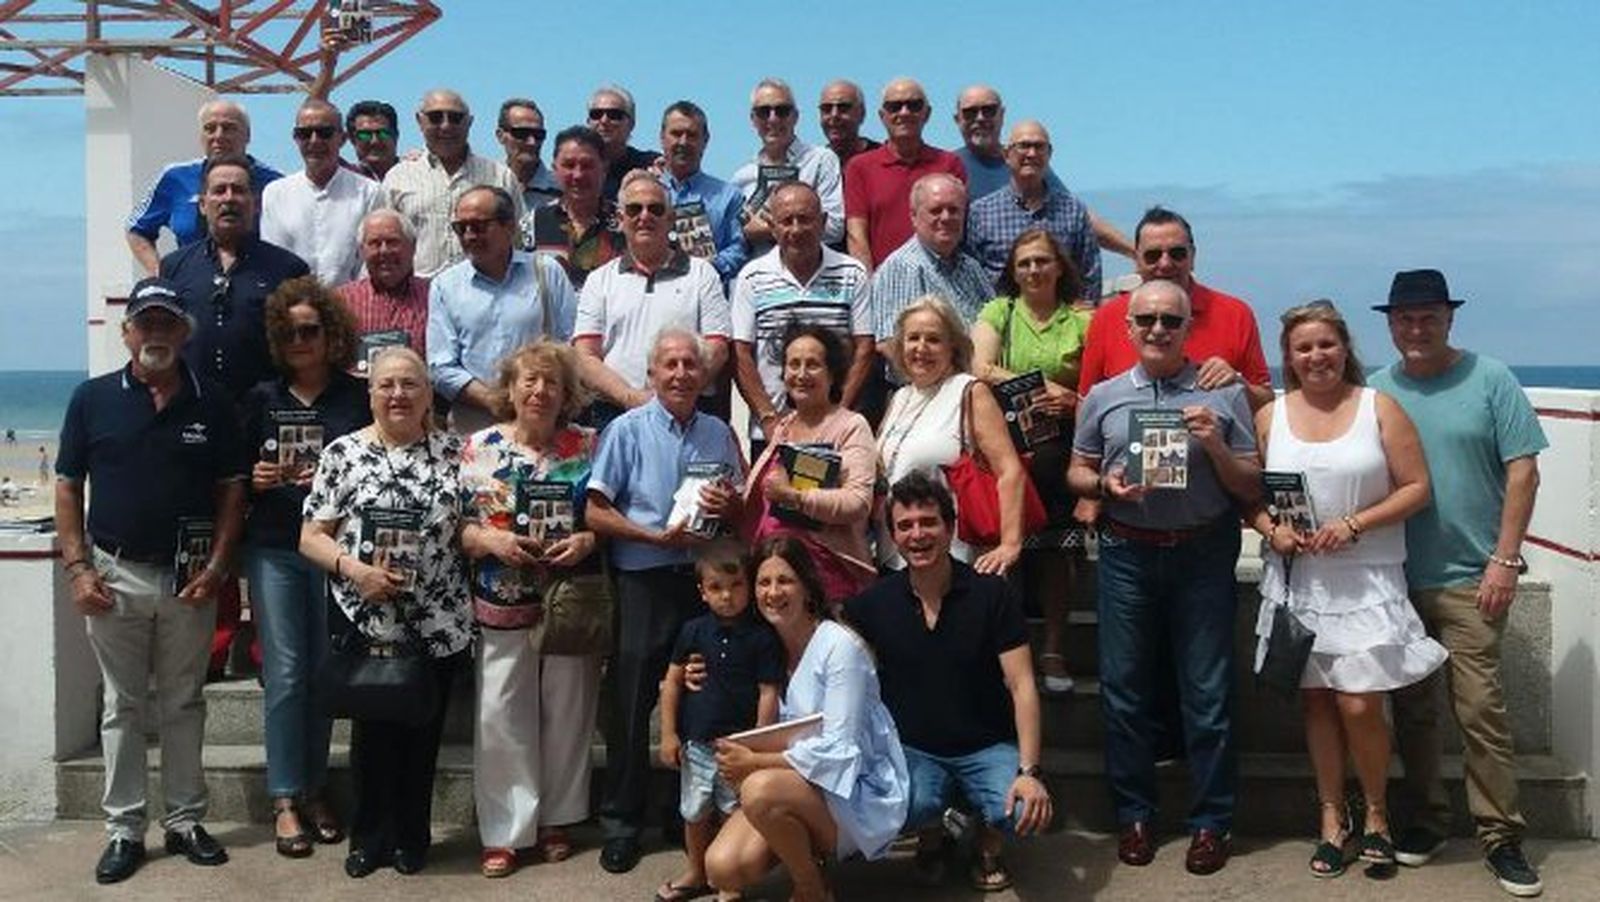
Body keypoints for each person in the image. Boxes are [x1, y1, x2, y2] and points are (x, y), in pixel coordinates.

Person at [55, 277, 248, 884]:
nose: (156, 333)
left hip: (190, 581)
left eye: (167, 322)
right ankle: (123, 829)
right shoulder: (91, 399)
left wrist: (218, 567)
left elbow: (232, 492)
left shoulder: (214, 401)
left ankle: (186, 820)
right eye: (146, 322)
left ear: (184, 332)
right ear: (127, 331)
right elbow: (66, 487)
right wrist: (78, 568)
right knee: (122, 705)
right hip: (113, 575)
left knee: (185, 702)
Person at [1066, 278, 1261, 875]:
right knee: (1125, 692)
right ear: (1127, 328)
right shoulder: (1102, 396)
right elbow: (1077, 471)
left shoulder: (1220, 394)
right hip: (1127, 553)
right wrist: (1104, 487)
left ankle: (1211, 823)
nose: (1157, 330)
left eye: (1169, 321)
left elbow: (1251, 484)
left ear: (1186, 329)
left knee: (1206, 694)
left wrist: (1216, 446)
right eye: (1145, 320)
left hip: (1201, 552)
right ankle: (1135, 815)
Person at [1249, 300, 1446, 877]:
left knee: (1360, 703)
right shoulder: (1272, 417)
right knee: (1316, 702)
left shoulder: (1379, 407)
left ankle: (1378, 814)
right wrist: (1271, 529)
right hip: (1299, 582)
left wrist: (1355, 524)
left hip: (1366, 580)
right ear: (1289, 357)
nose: (1317, 356)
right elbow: (1257, 499)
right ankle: (1333, 818)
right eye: (1303, 348)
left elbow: (1417, 488)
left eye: (1326, 345)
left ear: (1345, 349)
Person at [1369, 269, 1548, 897]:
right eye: (1405, 318)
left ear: (1450, 319)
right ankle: (1427, 820)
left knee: (1479, 711)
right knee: (1413, 713)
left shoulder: (1491, 378)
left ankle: (1501, 836)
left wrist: (1505, 559)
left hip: (1474, 579)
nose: (1416, 328)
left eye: (1428, 317)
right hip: (1395, 579)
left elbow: (1522, 473)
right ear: (1390, 324)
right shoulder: (1374, 391)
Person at [299, 346, 473, 878]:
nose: (398, 394)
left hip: (437, 621)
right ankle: (369, 837)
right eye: (387, 385)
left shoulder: (455, 452)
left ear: (428, 395)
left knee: (422, 738)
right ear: (370, 393)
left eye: (410, 385)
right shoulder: (342, 454)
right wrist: (356, 571)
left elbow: (465, 528)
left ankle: (411, 839)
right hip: (365, 617)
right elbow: (311, 536)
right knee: (372, 741)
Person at [585, 329, 745, 874]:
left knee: (703, 701)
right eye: (669, 365)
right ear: (651, 374)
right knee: (630, 704)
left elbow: (739, 504)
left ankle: (689, 817)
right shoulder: (625, 430)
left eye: (689, 365)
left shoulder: (720, 433)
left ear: (704, 376)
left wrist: (729, 503)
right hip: (644, 581)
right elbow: (595, 512)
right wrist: (653, 538)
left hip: (701, 587)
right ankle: (623, 822)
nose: (680, 373)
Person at [846, 472, 1051, 892]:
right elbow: (819, 649)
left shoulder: (992, 595)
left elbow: (1022, 685)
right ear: (892, 536)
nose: (917, 534)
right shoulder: (872, 604)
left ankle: (986, 839)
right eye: (905, 526)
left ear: (951, 527)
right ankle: (932, 835)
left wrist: (1029, 771)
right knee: (902, 809)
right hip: (914, 750)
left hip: (987, 744)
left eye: (929, 522)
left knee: (1020, 813)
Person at [457, 340, 603, 878]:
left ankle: (558, 819)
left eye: (552, 383)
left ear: (566, 394)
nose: (540, 391)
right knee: (500, 716)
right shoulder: (477, 447)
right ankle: (505, 831)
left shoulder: (590, 444)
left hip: (569, 600)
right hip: (500, 595)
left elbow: (609, 514)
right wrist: (485, 541)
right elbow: (456, 523)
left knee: (568, 708)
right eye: (529, 381)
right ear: (511, 389)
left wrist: (588, 540)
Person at [240, 276, 371, 858]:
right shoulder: (259, 398)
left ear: (330, 333)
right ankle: (285, 797)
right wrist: (256, 476)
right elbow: (233, 476)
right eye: (289, 331)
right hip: (274, 547)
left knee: (322, 672)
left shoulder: (355, 397)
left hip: (337, 550)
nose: (300, 340)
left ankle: (316, 787)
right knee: (287, 672)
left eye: (310, 330)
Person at [703, 536, 910, 902]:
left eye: (785, 581)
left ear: (808, 588)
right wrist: (690, 671)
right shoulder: (763, 645)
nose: (773, 592)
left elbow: (841, 750)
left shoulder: (839, 645)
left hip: (855, 791)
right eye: (763, 583)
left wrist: (755, 762)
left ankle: (811, 886)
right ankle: (804, 850)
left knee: (759, 789)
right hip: (793, 780)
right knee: (722, 868)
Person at [971, 228, 1093, 694]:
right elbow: (980, 367)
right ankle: (1007, 650)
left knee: (1056, 556)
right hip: (1006, 447)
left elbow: (1098, 391)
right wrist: (1045, 385)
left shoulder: (1083, 321)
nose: (1033, 270)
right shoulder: (999, 311)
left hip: (1062, 450)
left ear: (1059, 266)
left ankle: (1054, 649)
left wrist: (1074, 401)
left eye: (1042, 261)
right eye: (1024, 263)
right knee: (1006, 551)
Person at [656, 541, 783, 902]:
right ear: (702, 592)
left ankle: (728, 881)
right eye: (716, 587)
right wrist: (668, 734)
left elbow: (767, 693)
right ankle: (697, 872)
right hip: (696, 744)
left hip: (737, 748)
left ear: (749, 585)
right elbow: (673, 683)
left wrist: (755, 745)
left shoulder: (762, 637)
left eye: (736, 585)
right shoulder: (693, 631)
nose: (727, 596)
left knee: (733, 812)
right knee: (694, 812)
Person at [877, 296, 1026, 575]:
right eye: (913, 338)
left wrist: (1010, 543)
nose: (921, 348)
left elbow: (1010, 471)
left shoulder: (969, 391)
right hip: (898, 558)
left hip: (958, 559)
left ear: (953, 347)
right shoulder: (900, 397)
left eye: (933, 339)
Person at [574, 172, 731, 429]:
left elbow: (718, 348)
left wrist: (674, 395)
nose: (644, 216)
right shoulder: (599, 280)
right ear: (620, 219)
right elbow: (585, 355)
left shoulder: (702, 273)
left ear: (670, 220)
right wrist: (629, 397)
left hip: (688, 413)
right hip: (614, 415)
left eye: (655, 209)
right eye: (634, 209)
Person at [1078, 206, 1272, 410]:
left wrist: (1238, 385)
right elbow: (1086, 404)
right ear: (1136, 260)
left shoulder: (1236, 315)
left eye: (1177, 254)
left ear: (1193, 256)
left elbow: (1266, 402)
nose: (1165, 263)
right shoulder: (1107, 317)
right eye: (1152, 255)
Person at [730, 181, 874, 453]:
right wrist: (769, 418)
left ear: (823, 222)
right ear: (772, 227)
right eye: (787, 221)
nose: (796, 229)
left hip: (837, 432)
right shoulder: (752, 277)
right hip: (774, 432)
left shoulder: (852, 273)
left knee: (837, 497)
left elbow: (865, 348)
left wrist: (837, 416)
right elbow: (740, 353)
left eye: (805, 219)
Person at [741, 323, 878, 604]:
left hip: (828, 583)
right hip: (776, 584)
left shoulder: (850, 426)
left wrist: (794, 497)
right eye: (794, 365)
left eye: (813, 365)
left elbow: (858, 502)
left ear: (833, 375)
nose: (801, 374)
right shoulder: (784, 427)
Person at [425, 186, 577, 434]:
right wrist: (494, 400)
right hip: (474, 424)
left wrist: (533, 395)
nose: (469, 235)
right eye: (461, 228)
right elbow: (441, 367)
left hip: (544, 420)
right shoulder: (445, 286)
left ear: (509, 225)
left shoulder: (547, 272)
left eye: (479, 226)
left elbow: (569, 345)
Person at [160, 154, 311, 399]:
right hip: (192, 408)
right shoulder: (174, 267)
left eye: (238, 190)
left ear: (256, 203)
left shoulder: (289, 269)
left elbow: (303, 346)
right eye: (219, 190)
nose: (229, 198)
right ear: (202, 204)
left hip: (264, 410)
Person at [127, 99, 282, 275]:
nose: (218, 136)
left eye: (228, 128)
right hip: (190, 289)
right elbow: (137, 229)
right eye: (210, 128)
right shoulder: (175, 177)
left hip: (256, 288)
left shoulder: (275, 183)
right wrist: (159, 275)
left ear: (247, 135)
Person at [381, 89, 523, 278]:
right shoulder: (398, 178)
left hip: (488, 295)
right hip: (418, 299)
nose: (446, 125)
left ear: (469, 122)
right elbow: (382, 242)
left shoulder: (501, 176)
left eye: (455, 118)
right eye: (435, 117)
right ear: (419, 121)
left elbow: (518, 241)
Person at [965, 120, 1102, 298]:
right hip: (1000, 321)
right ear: (1006, 154)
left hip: (1061, 320)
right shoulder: (981, 213)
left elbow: (1090, 274)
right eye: (1023, 146)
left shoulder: (1073, 210)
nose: (1031, 153)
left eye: (1039, 147)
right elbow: (970, 275)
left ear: (1049, 154)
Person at [843, 78, 967, 269]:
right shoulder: (860, 167)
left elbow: (957, 227)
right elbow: (856, 234)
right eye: (894, 106)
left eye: (914, 105)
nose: (904, 112)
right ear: (882, 115)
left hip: (941, 281)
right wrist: (869, 288)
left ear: (927, 114)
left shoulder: (950, 163)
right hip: (883, 284)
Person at [261, 99, 384, 287]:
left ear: (342, 139)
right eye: (304, 133)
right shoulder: (275, 193)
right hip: (292, 309)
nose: (314, 140)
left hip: (351, 309)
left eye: (324, 133)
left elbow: (368, 264)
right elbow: (272, 260)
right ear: (295, 139)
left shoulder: (369, 192)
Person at [870, 173, 993, 342]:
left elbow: (998, 322)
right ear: (913, 216)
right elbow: (892, 344)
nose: (946, 217)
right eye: (936, 210)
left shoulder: (971, 267)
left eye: (954, 210)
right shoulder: (903, 267)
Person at [732, 78, 845, 253]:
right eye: (763, 112)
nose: (773, 119)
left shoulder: (821, 161)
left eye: (782, 111)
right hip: (758, 276)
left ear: (796, 117)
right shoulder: (741, 177)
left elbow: (835, 227)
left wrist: (768, 229)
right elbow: (734, 234)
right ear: (753, 119)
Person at [658, 100, 748, 283]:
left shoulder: (729, 196)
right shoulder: (643, 195)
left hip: (708, 297)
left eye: (691, 135)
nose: (683, 142)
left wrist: (707, 268)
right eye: (676, 134)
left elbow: (739, 248)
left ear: (705, 140)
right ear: (662, 137)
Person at [524, 125, 625, 288]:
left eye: (587, 165)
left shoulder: (625, 224)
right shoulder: (532, 224)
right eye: (569, 165)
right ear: (555, 168)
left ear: (604, 168)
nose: (578, 175)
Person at [337, 209, 431, 363]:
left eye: (393, 242)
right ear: (362, 251)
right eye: (374, 243)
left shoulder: (435, 297)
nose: (384, 251)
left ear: (413, 247)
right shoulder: (342, 301)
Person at [588, 84, 663, 201]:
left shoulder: (649, 164)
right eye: (596, 114)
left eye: (614, 115)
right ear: (588, 122)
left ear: (631, 124)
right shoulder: (576, 168)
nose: (604, 121)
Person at [496, 97, 561, 210]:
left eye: (538, 135)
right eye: (522, 133)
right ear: (500, 136)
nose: (532, 142)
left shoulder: (563, 190)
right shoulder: (485, 184)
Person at [817, 79, 880, 175]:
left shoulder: (880, 159)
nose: (834, 115)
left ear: (862, 114)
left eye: (843, 108)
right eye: (826, 109)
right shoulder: (815, 164)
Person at [345, 100, 402, 181]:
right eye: (365, 135)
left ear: (396, 135)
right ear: (352, 139)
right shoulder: (344, 179)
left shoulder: (414, 173)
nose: (374, 141)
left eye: (382, 133)